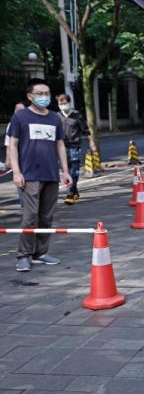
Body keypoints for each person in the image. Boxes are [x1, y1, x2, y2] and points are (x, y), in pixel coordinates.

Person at [8, 79, 72, 272]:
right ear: (30, 96)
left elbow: (60, 145)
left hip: (51, 174)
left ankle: (40, 252)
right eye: (40, 93)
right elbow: (13, 145)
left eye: (47, 93)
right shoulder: (21, 117)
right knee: (30, 216)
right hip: (29, 175)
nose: (45, 96)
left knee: (46, 216)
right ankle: (24, 255)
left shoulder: (54, 118)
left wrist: (65, 171)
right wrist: (17, 172)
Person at [56, 94, 89, 205]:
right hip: (60, 148)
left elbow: (85, 130)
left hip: (74, 147)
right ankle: (74, 192)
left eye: (65, 103)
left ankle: (70, 194)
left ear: (69, 103)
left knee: (74, 171)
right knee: (65, 171)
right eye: (60, 104)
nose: (63, 105)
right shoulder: (57, 116)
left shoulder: (77, 115)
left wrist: (86, 134)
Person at [3, 102, 26, 206]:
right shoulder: (11, 125)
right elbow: (9, 144)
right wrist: (8, 159)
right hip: (18, 159)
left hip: (31, 158)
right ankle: (24, 205)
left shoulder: (30, 121)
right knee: (20, 182)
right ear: (15, 112)